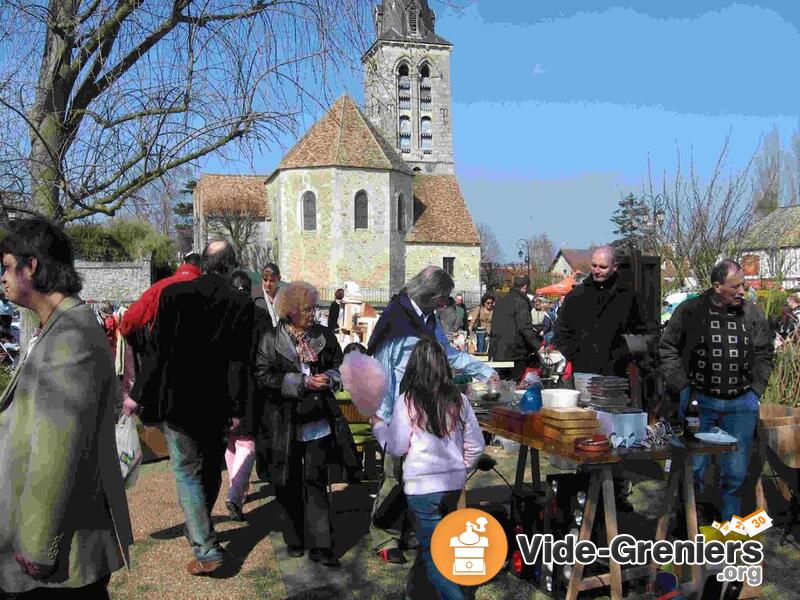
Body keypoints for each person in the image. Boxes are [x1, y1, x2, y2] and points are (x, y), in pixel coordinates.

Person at [0, 217, 133, 597]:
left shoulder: (70, 335)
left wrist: (37, 549)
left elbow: (56, 452)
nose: (3, 278)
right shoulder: (59, 326)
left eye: (8, 267)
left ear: (33, 266)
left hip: (60, 557)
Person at [131, 240, 254, 575]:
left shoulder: (175, 295)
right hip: (217, 402)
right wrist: (239, 406)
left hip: (179, 398)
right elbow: (239, 363)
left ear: (203, 263)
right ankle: (199, 531)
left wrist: (138, 394)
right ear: (231, 266)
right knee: (210, 469)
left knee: (187, 470)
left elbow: (156, 352)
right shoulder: (240, 303)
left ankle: (205, 546)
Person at [366, 266, 498, 565]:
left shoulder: (429, 318)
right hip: (398, 409)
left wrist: (485, 371)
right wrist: (383, 417)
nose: (446, 303)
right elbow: (382, 369)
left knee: (417, 476)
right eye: (444, 298)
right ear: (433, 296)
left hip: (425, 407)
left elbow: (447, 354)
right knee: (393, 477)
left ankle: (412, 531)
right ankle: (384, 535)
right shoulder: (396, 317)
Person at [255, 281, 361, 567]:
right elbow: (263, 378)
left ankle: (321, 545)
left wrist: (329, 377)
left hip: (318, 421)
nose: (314, 313)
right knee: (286, 482)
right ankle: (293, 538)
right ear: (290, 312)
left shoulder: (324, 336)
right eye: (307, 309)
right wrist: (301, 382)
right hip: (283, 423)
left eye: (314, 307)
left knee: (316, 481)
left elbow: (341, 366)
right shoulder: (270, 340)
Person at [659, 259, 774, 521]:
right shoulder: (691, 311)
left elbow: (765, 351)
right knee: (695, 469)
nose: (742, 291)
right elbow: (668, 348)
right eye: (736, 286)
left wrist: (756, 390)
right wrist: (682, 387)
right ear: (717, 286)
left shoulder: (751, 313)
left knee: (735, 472)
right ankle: (692, 526)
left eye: (743, 285)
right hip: (700, 402)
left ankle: (728, 530)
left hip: (740, 403)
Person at [371, 337, 484, 600]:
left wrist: (378, 426)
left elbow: (397, 446)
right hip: (452, 486)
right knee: (433, 547)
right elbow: (476, 446)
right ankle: (415, 593)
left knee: (435, 554)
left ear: (415, 367)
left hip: (422, 489)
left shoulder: (407, 401)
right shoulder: (459, 400)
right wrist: (461, 469)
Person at [554, 246, 643, 377]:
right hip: (583, 368)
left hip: (615, 370)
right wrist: (574, 354)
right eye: (594, 265)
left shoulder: (627, 296)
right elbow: (561, 331)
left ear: (614, 267)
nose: (597, 271)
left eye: (602, 267)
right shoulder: (576, 296)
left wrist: (622, 354)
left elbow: (638, 329)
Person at [224, 270, 259, 521]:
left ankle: (238, 490)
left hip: (222, 386)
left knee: (232, 441)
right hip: (250, 385)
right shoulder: (259, 317)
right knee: (247, 441)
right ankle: (235, 493)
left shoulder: (218, 315)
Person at [490, 275, 540, 381]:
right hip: (514, 353)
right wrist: (539, 347)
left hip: (497, 350)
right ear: (525, 287)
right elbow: (525, 328)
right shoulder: (520, 302)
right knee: (515, 386)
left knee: (504, 384)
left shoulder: (501, 299)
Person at [255, 262, 282, 332]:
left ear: (279, 279)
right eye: (265, 280)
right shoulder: (255, 298)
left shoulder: (284, 298)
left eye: (271, 281)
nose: (268, 284)